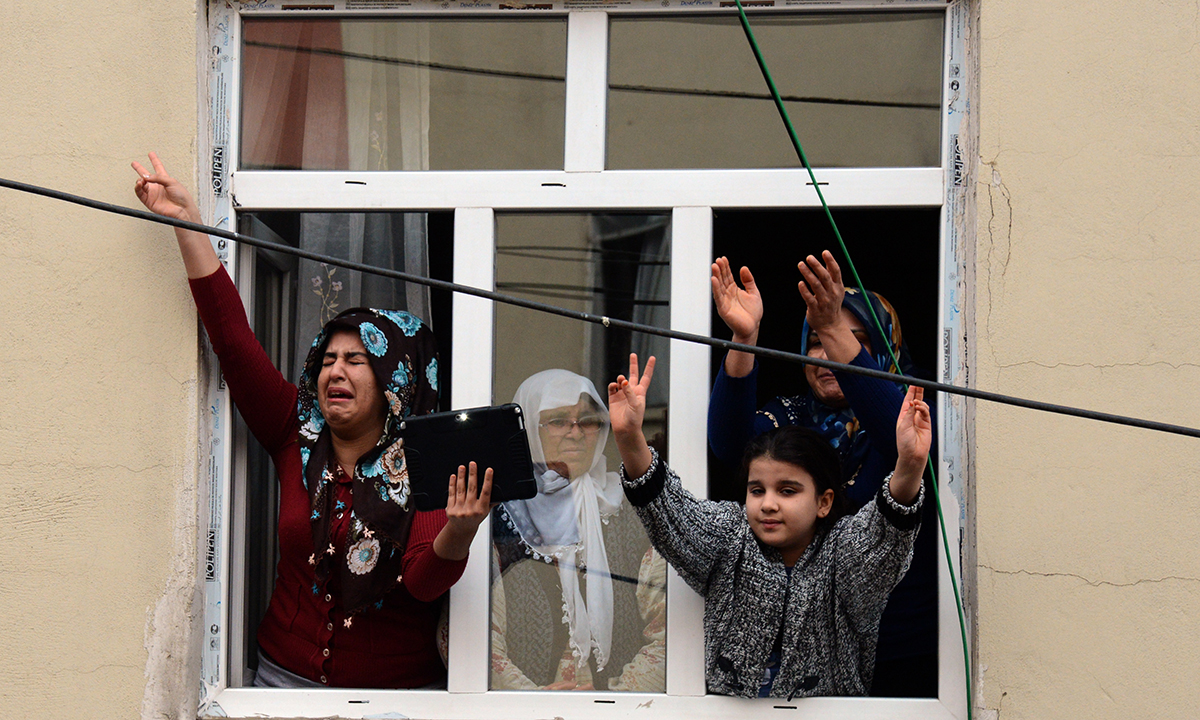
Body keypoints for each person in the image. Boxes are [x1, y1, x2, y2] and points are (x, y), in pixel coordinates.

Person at [132, 152, 493, 689]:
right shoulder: (294, 433)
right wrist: (187, 223)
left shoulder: (429, 463)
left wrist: (459, 533)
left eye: (355, 361)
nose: (335, 372)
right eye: (327, 360)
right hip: (281, 685)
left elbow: (422, 582)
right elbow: (233, 340)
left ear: (396, 381)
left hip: (395, 700)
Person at [609, 354, 930, 698]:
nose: (769, 503)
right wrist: (630, 439)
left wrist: (909, 465)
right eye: (757, 490)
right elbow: (670, 510)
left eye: (788, 491)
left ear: (824, 502)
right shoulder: (731, 536)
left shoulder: (842, 551)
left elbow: (884, 536)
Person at [707, 251, 939, 696]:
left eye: (853, 340)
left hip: (904, 647)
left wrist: (832, 327)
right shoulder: (791, 417)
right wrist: (745, 336)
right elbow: (729, 445)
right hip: (812, 651)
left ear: (882, 350)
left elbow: (899, 443)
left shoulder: (916, 407)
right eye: (815, 341)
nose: (826, 354)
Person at [490, 370, 666, 692]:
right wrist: (534, 704)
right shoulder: (497, 515)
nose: (575, 433)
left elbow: (670, 635)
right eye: (558, 421)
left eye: (588, 421)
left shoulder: (628, 507)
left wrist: (610, 702)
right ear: (528, 428)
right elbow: (471, 640)